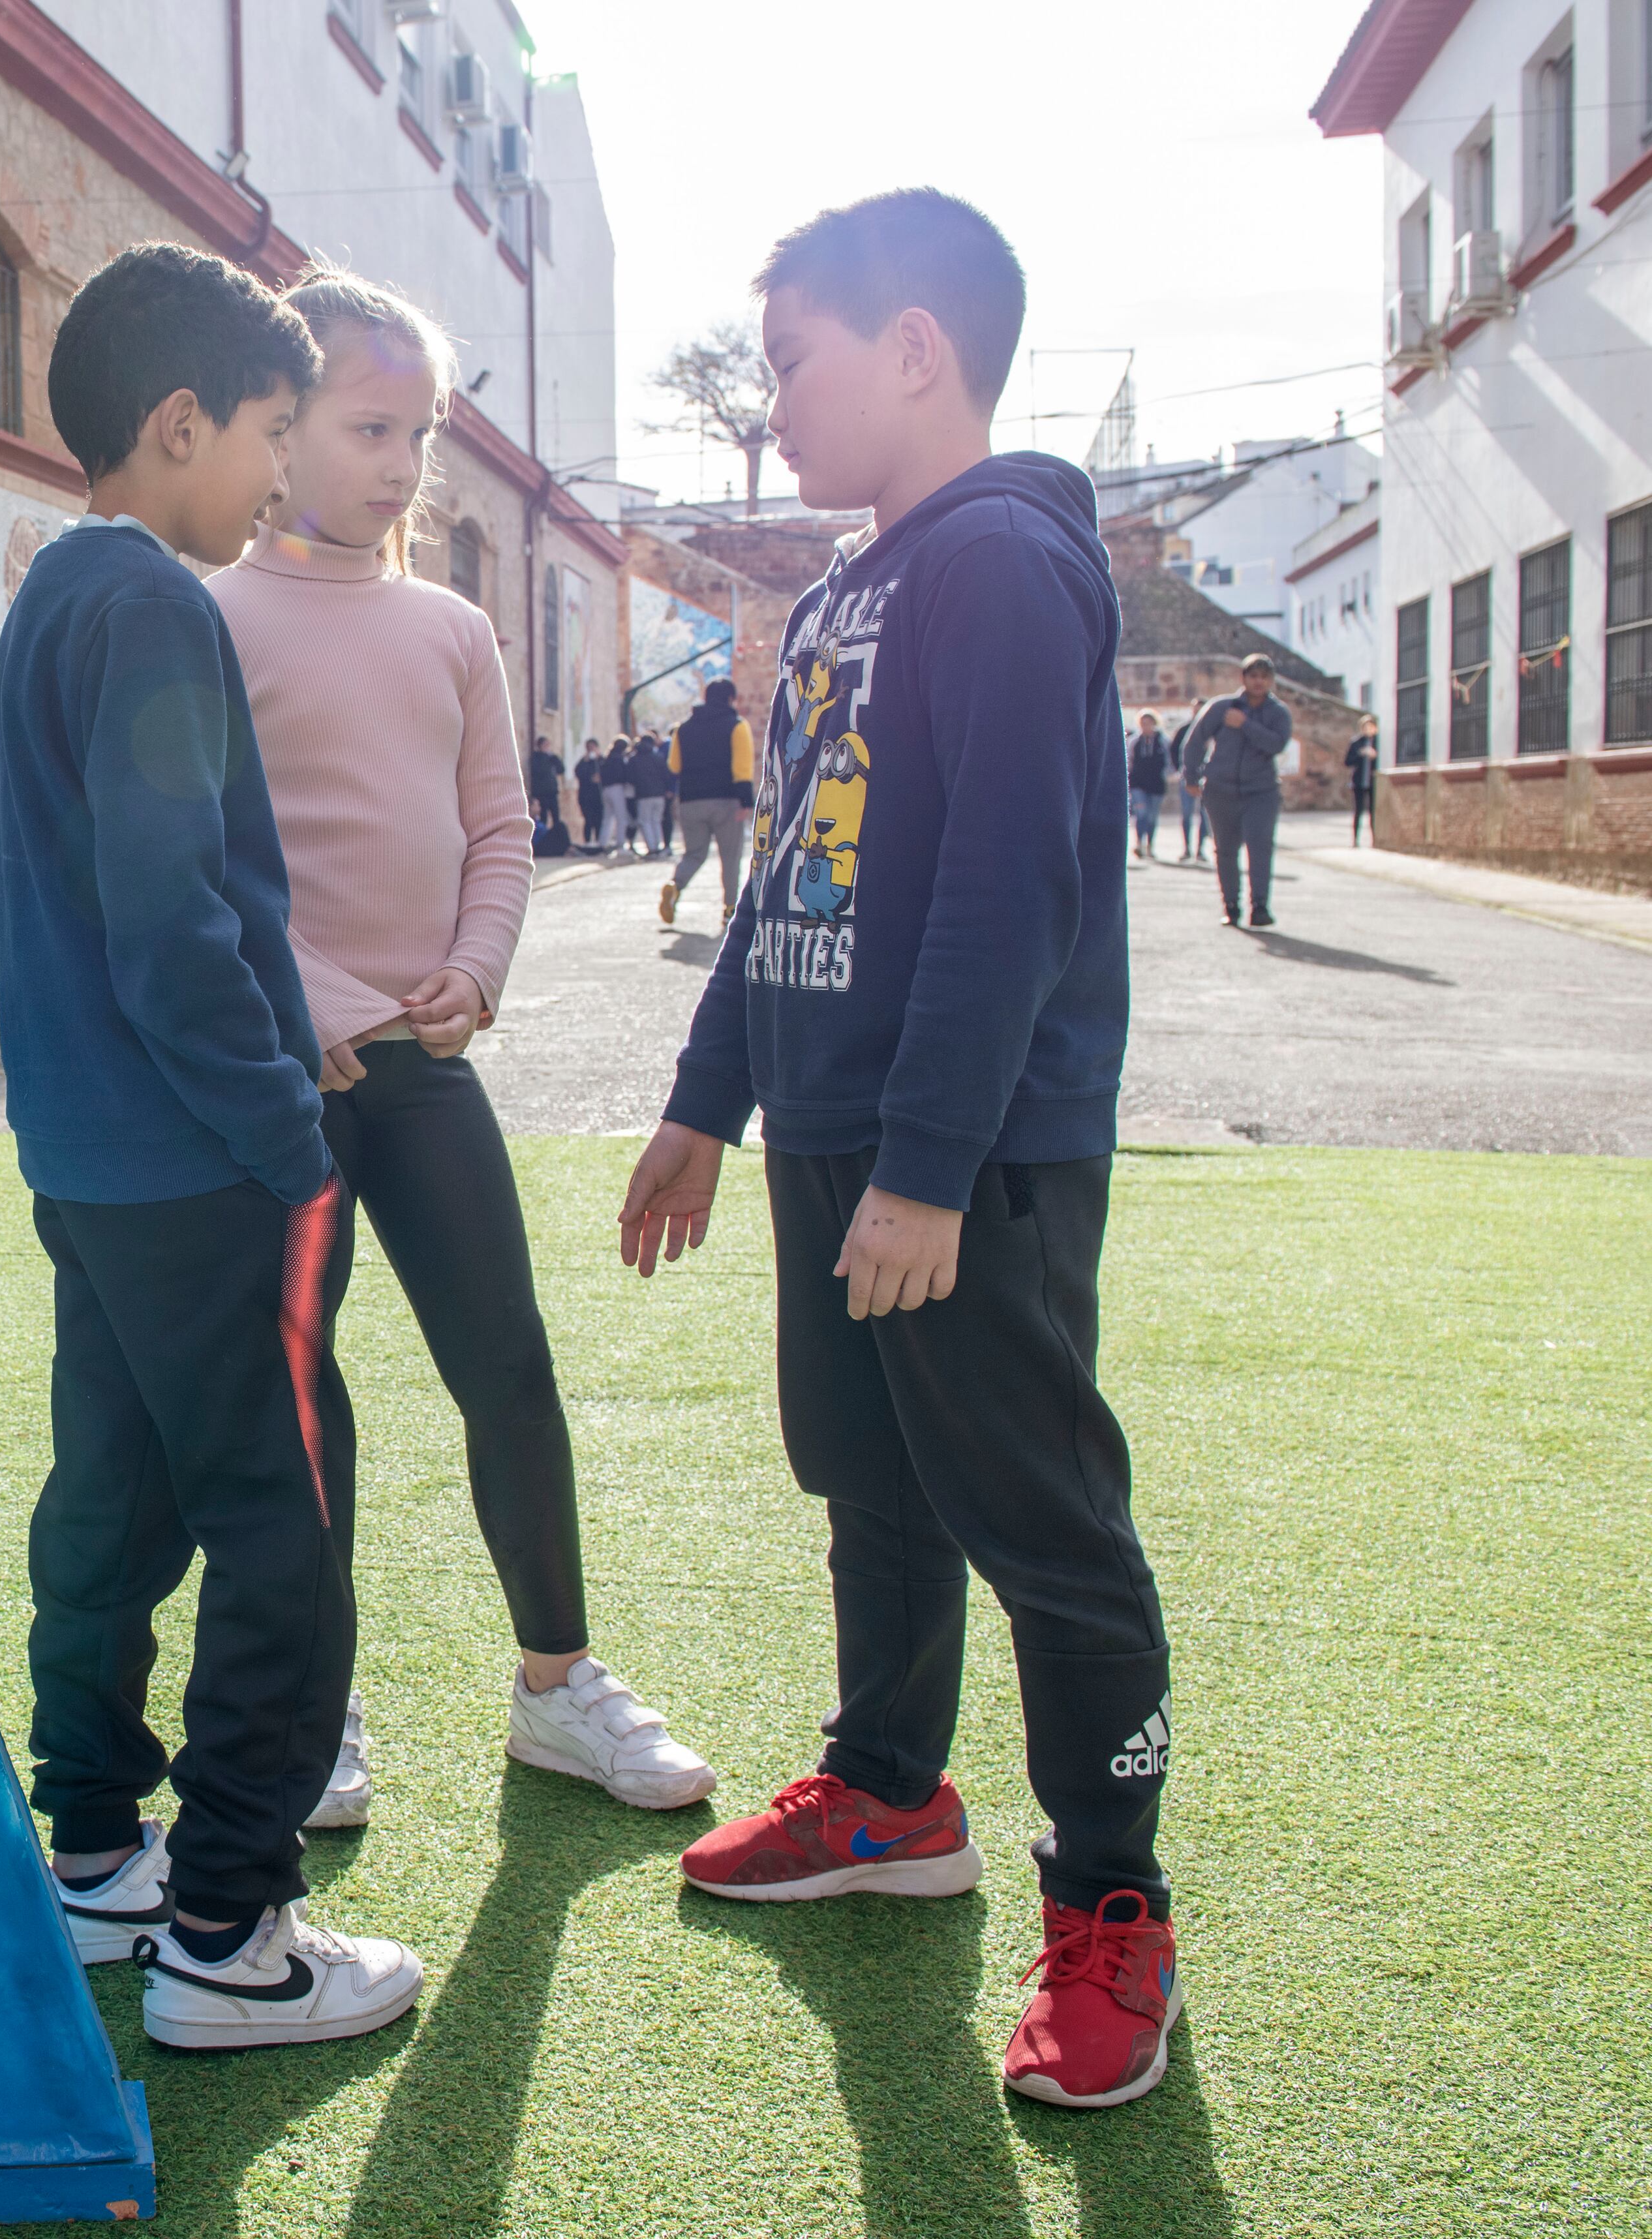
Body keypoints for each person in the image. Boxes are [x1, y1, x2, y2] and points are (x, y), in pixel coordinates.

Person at [620, 188, 1185, 2112]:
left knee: (1044, 1528)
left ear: (914, 349)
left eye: (792, 362)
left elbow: (1006, 889)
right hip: (836, 1133)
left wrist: (930, 1162)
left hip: (967, 1156)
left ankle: (1111, 1904)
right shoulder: (854, 582)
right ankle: (886, 1794)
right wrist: (708, 1100)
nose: (771, 405)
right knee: (872, 1483)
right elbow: (790, 864)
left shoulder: (1002, 560)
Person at [214, 264, 715, 1833]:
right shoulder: (205, 615)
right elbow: (200, 856)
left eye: (417, 435)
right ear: (276, 427)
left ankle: (556, 1686)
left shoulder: (448, 630)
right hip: (284, 1079)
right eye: (368, 425)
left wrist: (477, 972)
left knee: (506, 1363)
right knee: (299, 1396)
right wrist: (305, 1000)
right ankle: (319, 1700)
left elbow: (503, 832)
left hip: (426, 1069)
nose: (397, 464)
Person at [0, 241, 421, 2052]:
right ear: (178, 425)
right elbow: (173, 925)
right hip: (199, 1158)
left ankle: (97, 1849)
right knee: (285, 1525)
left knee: (118, 1497)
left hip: (92, 1163)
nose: (276, 470)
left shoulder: (52, 594)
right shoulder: (157, 607)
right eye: (267, 429)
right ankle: (231, 1935)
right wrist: (286, 1135)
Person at [1191, 654, 1293, 927]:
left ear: (1271, 681)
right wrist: (1191, 776)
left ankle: (1260, 907)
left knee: (1260, 848)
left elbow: (1277, 745)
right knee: (1225, 850)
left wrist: (1246, 724)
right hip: (1220, 791)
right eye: (1253, 676)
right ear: (1244, 679)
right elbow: (1195, 741)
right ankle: (1231, 906)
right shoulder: (1221, 708)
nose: (1259, 682)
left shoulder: (1278, 713)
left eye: (1264, 677)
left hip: (1261, 792)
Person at [665, 677, 757, 926]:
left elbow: (674, 765)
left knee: (694, 854)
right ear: (731, 698)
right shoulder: (737, 725)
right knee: (730, 856)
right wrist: (746, 801)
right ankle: (729, 909)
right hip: (726, 801)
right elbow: (742, 767)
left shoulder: (682, 728)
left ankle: (675, 886)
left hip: (690, 801)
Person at [1126, 711, 1170, 862]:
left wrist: (1168, 774)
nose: (1146, 726)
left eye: (1149, 723)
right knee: (1142, 813)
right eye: (1143, 723)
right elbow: (1129, 761)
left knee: (1152, 816)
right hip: (1138, 783)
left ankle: (1150, 845)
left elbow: (1169, 760)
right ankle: (1139, 843)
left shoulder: (1162, 740)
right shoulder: (1135, 741)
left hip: (1156, 783)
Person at [1169, 702, 1205, 861]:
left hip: (1207, 777)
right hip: (1187, 776)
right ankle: (1187, 848)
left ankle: (1200, 850)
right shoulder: (1184, 730)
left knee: (1205, 816)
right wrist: (1180, 769)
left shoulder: (1211, 729)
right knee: (1187, 814)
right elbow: (1174, 749)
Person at [526, 733, 570, 854]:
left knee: (556, 818)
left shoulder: (552, 758)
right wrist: (546, 757)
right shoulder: (537, 758)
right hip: (542, 793)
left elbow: (561, 769)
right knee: (543, 817)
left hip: (552, 792)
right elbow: (539, 771)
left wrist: (554, 758)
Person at [594, 735, 635, 860]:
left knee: (607, 818)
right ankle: (620, 845)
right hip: (617, 789)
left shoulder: (607, 758)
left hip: (606, 790)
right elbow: (624, 774)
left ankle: (602, 844)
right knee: (621, 818)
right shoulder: (620, 759)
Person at [1345, 712, 1380, 845]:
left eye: (1371, 727)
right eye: (1366, 727)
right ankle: (1355, 840)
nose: (1368, 730)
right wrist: (1360, 754)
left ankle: (1374, 840)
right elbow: (1348, 762)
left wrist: (1374, 756)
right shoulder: (1356, 743)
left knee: (1373, 811)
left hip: (1373, 782)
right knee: (1358, 811)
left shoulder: (1378, 742)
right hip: (1359, 781)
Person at [573, 738, 607, 852]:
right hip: (586, 795)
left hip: (599, 795)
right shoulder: (584, 761)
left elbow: (608, 772)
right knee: (588, 820)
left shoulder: (602, 760)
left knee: (599, 819)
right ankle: (587, 842)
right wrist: (585, 760)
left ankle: (599, 842)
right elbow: (578, 773)